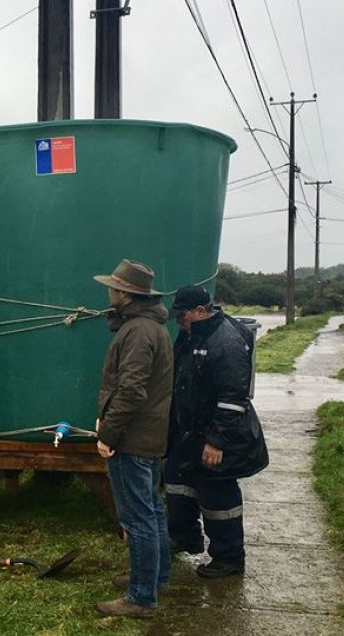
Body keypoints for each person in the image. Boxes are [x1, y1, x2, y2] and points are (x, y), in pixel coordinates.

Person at [164, 285, 269, 578]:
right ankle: (185, 536)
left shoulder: (226, 341)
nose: (178, 322)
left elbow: (233, 397)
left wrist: (216, 441)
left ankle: (229, 557)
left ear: (200, 311)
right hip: (189, 432)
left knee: (218, 496)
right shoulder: (190, 335)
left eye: (182, 316)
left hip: (217, 435)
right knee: (177, 483)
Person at [92, 259, 174, 618]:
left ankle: (141, 597)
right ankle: (155, 578)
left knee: (137, 517)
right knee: (153, 511)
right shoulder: (148, 327)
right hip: (148, 435)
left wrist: (108, 432)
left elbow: (131, 390)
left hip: (132, 438)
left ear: (124, 293)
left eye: (112, 286)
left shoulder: (138, 332)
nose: (108, 290)